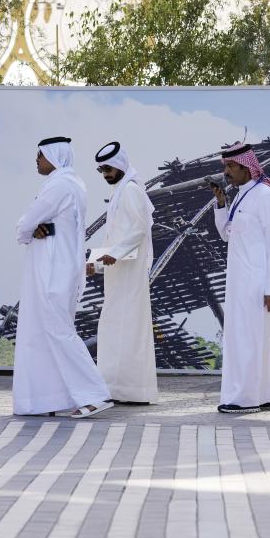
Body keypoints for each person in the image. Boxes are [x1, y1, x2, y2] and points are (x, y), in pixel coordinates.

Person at [13, 137, 113, 418]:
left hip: (51, 269)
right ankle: (51, 400)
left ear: (54, 157)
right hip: (61, 266)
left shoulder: (58, 185)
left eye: (40, 155)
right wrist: (34, 228)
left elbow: (25, 223)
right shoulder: (74, 183)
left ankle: (95, 394)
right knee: (45, 333)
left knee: (58, 332)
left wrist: (29, 230)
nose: (37, 160)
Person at [210, 142, 270, 414]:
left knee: (248, 339)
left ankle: (243, 399)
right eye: (225, 167)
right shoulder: (241, 196)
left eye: (231, 166)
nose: (227, 172)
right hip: (239, 283)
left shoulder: (265, 196)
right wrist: (221, 204)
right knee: (250, 340)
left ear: (247, 167)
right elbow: (227, 233)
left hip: (258, 284)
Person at [88, 142, 158, 405]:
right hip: (118, 271)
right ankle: (116, 388)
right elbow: (116, 235)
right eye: (101, 169)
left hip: (128, 272)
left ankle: (132, 390)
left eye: (107, 168)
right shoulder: (121, 190)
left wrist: (114, 253)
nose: (105, 174)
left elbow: (139, 230)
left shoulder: (130, 190)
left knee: (128, 329)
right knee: (115, 328)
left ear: (118, 166)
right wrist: (96, 263)